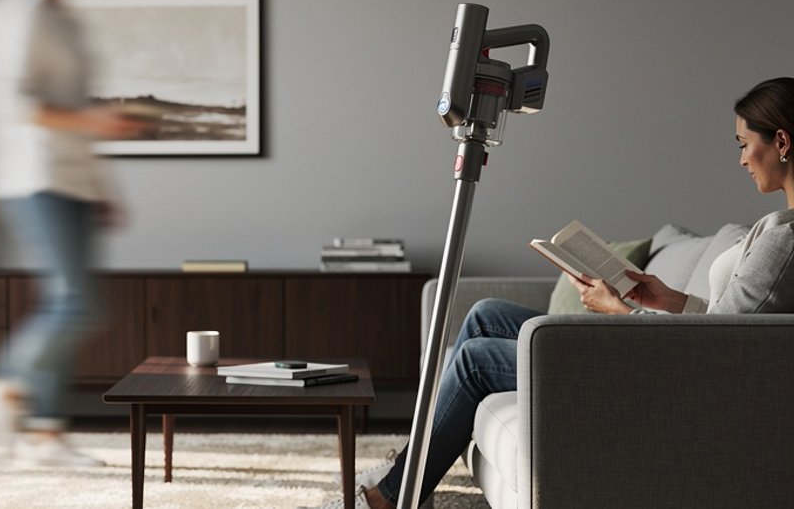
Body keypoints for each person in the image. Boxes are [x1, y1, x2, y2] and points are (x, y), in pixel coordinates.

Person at [311, 77, 794, 509]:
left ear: (782, 142)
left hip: (663, 371)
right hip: (668, 349)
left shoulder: (784, 240)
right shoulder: (776, 227)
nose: (741, 159)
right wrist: (666, 299)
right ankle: (414, 467)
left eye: (744, 143)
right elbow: (733, 323)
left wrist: (618, 312)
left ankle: (391, 497)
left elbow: (724, 353)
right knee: (484, 314)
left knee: (476, 358)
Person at [0, 0, 148, 467]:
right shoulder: (20, 13)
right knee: (74, 305)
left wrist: (101, 188)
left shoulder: (65, 19)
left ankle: (44, 436)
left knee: (66, 305)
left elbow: (73, 109)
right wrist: (93, 121)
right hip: (36, 178)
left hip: (74, 182)